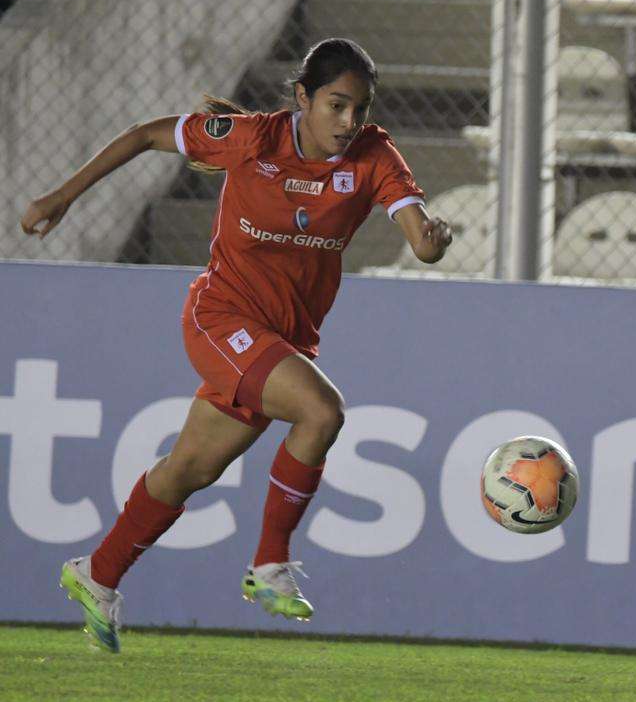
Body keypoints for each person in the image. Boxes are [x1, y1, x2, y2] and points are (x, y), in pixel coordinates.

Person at [18, 38, 452, 653]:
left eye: (359, 108)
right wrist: (63, 195)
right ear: (303, 97)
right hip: (222, 317)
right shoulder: (251, 138)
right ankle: (269, 565)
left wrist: (436, 240)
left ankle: (97, 573)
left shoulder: (375, 155)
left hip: (284, 338)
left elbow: (422, 240)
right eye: (335, 105)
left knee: (191, 469)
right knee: (321, 411)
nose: (348, 122)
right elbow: (147, 135)